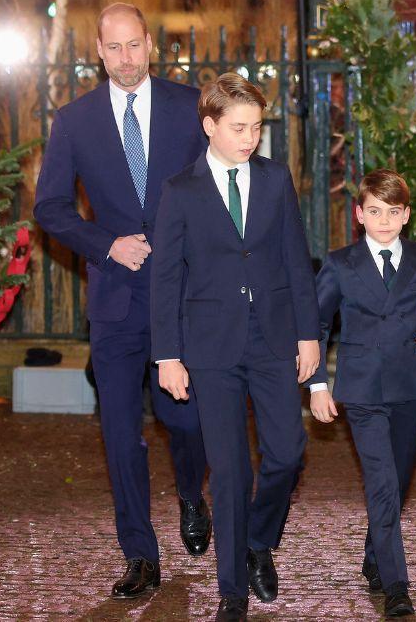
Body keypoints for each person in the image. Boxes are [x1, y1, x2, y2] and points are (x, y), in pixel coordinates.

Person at [32, 3, 211, 599]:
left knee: (184, 420)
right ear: (99, 52)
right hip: (113, 300)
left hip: (182, 296)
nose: (127, 58)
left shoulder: (192, 108)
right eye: (116, 48)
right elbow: (50, 208)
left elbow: (220, 187)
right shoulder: (74, 121)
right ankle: (139, 553)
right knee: (118, 432)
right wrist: (107, 244)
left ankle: (191, 492)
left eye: (136, 45)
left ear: (150, 46)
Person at [150, 72, 321, 622]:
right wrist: (168, 355)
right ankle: (232, 590)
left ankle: (257, 541)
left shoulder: (274, 180)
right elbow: (165, 280)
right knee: (227, 471)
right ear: (210, 125)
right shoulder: (181, 190)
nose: (251, 138)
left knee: (288, 453)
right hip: (210, 347)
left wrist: (309, 333)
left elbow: (297, 258)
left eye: (257, 127)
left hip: (272, 338)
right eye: (240, 127)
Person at [306, 169, 416, 617]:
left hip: (408, 386)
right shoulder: (340, 262)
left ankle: (375, 554)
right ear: (359, 214)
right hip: (362, 388)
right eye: (374, 212)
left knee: (400, 480)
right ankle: (396, 586)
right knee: (382, 483)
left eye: (393, 212)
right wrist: (317, 385)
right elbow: (316, 324)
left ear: (406, 215)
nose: (384, 221)